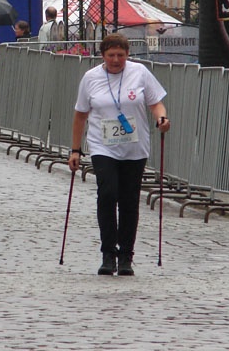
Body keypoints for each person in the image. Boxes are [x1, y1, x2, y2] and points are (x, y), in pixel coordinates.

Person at [68, 33, 170, 277]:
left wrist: (161, 119)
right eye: (111, 55)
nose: (116, 60)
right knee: (107, 193)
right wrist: (75, 149)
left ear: (127, 55)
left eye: (120, 56)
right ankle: (107, 254)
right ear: (103, 56)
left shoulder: (140, 73)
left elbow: (156, 103)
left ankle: (126, 256)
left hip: (135, 148)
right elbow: (81, 114)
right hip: (102, 146)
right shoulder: (91, 78)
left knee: (128, 200)